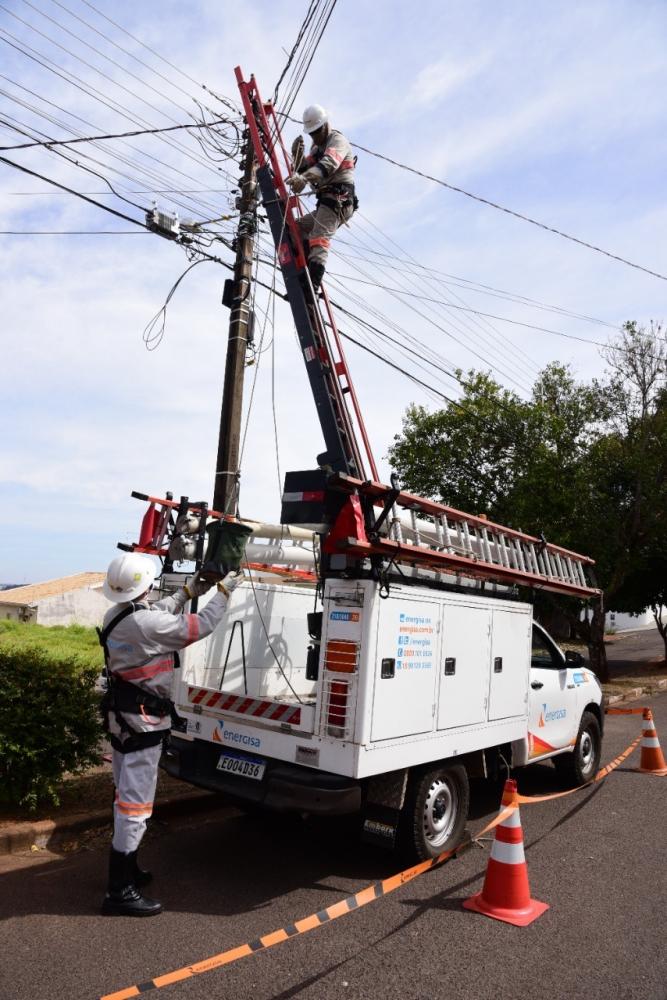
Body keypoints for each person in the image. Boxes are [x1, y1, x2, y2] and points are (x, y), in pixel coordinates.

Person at [98, 552, 242, 917]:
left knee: (123, 795)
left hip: (124, 718)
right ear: (143, 584)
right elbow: (201, 625)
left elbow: (155, 610)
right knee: (135, 805)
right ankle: (120, 891)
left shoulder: (118, 614)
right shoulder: (145, 624)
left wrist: (189, 590)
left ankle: (128, 870)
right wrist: (225, 590)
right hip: (143, 721)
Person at [286, 103, 357, 292]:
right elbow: (306, 170)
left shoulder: (337, 140)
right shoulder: (317, 147)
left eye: (316, 131)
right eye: (311, 133)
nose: (314, 136)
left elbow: (327, 165)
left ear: (325, 125)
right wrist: (298, 157)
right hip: (326, 201)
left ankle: (312, 286)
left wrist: (303, 177)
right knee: (296, 228)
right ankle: (306, 268)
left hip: (338, 200)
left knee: (318, 236)